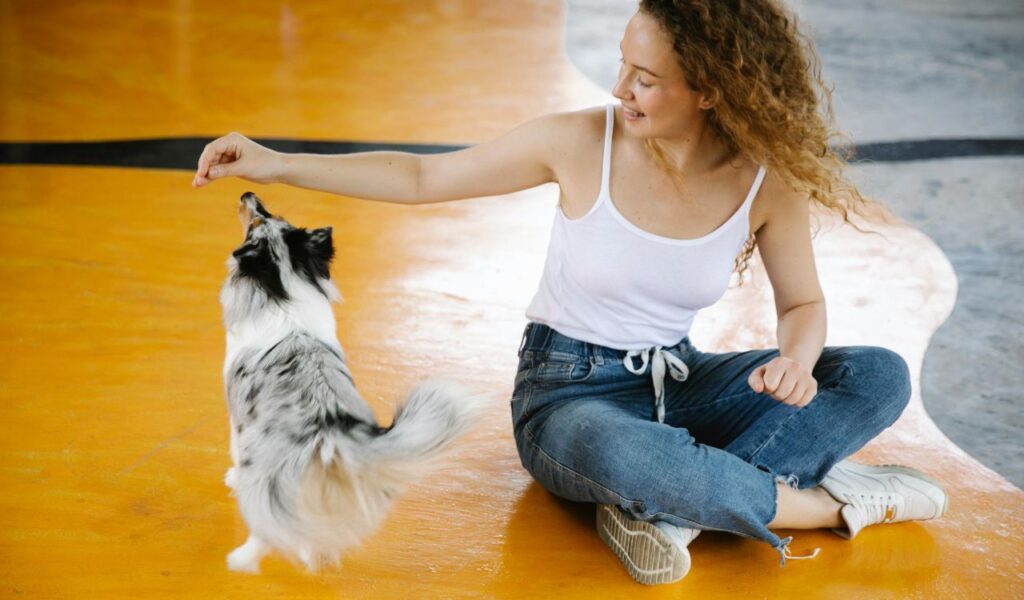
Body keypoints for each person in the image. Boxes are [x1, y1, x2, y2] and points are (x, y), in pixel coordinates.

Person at [192, 0, 949, 585]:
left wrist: (796, 356)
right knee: (621, 449)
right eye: (623, 64)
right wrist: (277, 163)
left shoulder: (762, 179)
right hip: (566, 398)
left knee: (877, 374)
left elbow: (803, 307)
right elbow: (424, 177)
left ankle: (666, 508)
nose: (621, 87)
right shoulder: (584, 141)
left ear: (712, 90)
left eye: (646, 79)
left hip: (679, 384)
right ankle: (829, 504)